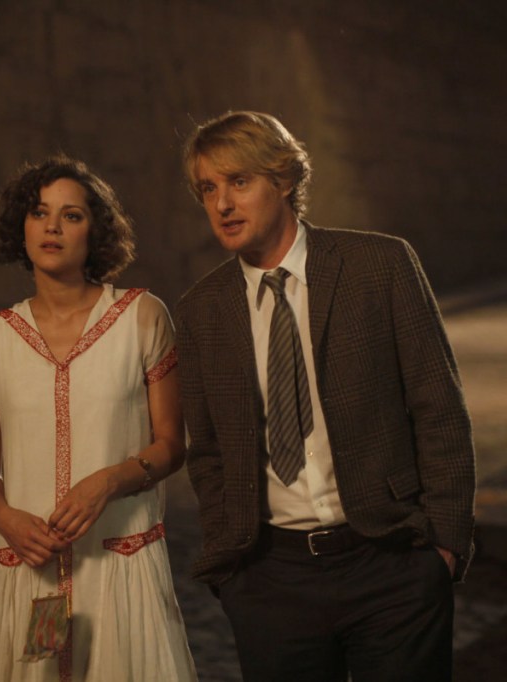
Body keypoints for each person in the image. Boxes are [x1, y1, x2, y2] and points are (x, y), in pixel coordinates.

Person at [174, 111, 476, 682]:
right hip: (271, 579)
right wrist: (233, 573)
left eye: (239, 181)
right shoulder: (201, 311)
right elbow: (208, 452)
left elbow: (439, 408)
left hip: (391, 561)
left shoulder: (380, 265)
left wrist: (443, 547)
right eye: (208, 189)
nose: (223, 204)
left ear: (284, 179)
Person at [0, 155, 198, 681]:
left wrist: (109, 482)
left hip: (120, 565)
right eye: (39, 213)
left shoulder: (141, 317)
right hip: (37, 576)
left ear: (95, 232)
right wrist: (5, 518)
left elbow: (171, 444)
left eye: (71, 216)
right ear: (21, 227)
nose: (52, 227)